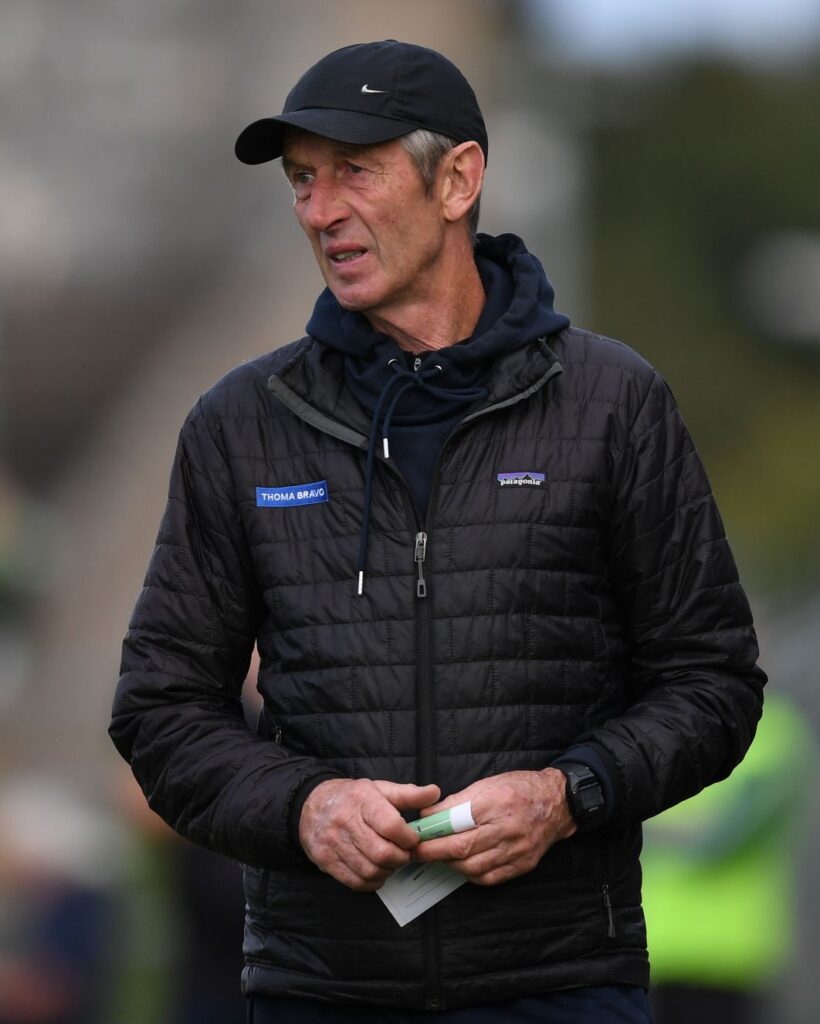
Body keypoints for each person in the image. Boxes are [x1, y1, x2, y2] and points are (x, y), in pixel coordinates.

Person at [109, 40, 766, 1023]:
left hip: (561, 987)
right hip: (318, 990)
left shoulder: (612, 402)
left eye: (354, 172)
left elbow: (713, 683)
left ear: (457, 180)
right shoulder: (240, 423)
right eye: (302, 180)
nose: (320, 211)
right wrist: (302, 808)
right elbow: (159, 711)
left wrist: (566, 794)